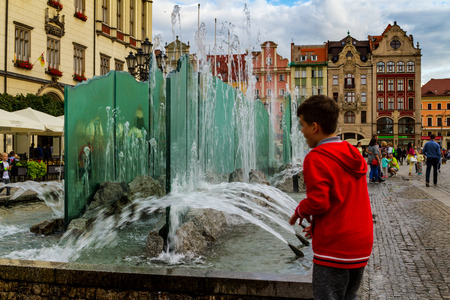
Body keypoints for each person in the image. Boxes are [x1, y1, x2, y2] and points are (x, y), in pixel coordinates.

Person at [288, 95, 373, 299]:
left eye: (302, 125)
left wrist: (301, 209)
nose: (301, 131)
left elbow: (319, 201)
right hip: (360, 243)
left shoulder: (316, 157)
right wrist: (317, 225)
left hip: (336, 248)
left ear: (314, 127)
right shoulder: (352, 152)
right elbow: (341, 200)